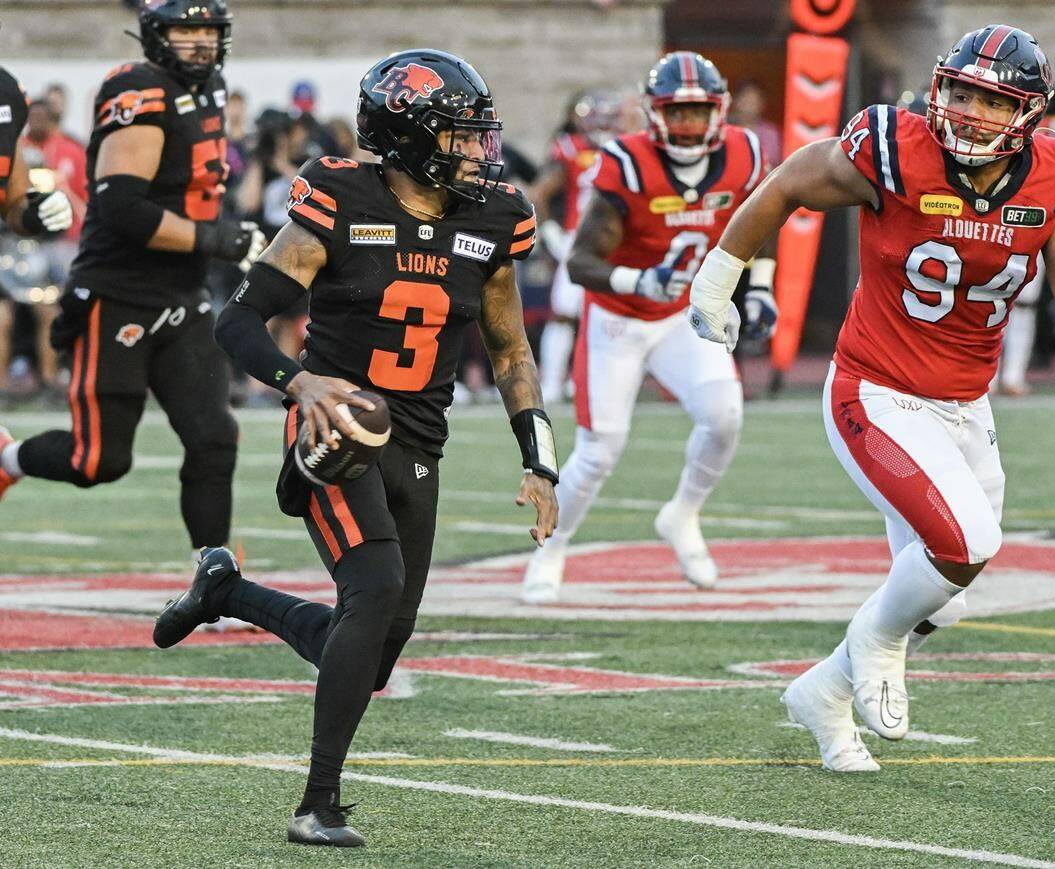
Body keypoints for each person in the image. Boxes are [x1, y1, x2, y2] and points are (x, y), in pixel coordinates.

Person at [152, 49, 559, 847]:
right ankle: (318, 803)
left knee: (376, 644)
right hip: (335, 427)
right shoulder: (339, 198)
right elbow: (237, 318)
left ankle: (226, 590)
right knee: (372, 590)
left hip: (419, 437)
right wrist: (298, 384)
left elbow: (511, 351)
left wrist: (538, 456)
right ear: (406, 136)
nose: (478, 153)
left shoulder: (492, 217)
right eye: (458, 136)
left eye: (479, 136)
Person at [690, 25, 1055, 771]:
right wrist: (719, 277)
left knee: (945, 597)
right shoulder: (894, 145)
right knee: (967, 544)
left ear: (1029, 114)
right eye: (961, 92)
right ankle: (877, 642)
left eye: (992, 100)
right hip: (876, 388)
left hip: (966, 404)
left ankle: (823, 691)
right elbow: (789, 182)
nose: (970, 112)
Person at [0, 2, 264, 561]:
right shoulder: (135, 87)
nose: (198, 42)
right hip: (119, 296)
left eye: (207, 31)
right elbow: (123, 208)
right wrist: (218, 240)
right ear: (155, 34)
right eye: (184, 30)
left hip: (183, 296)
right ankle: (7, 460)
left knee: (215, 437)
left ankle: (212, 578)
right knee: (99, 461)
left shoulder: (213, 85)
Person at [520, 52, 777, 604]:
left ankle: (682, 515)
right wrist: (639, 281)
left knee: (724, 416)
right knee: (599, 451)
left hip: (682, 316)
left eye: (697, 112)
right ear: (655, 114)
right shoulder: (626, 162)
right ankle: (552, 547)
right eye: (676, 113)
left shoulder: (743, 152)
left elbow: (760, 224)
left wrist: (760, 290)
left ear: (719, 112)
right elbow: (582, 263)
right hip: (618, 319)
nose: (687, 125)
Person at [527, 90, 621, 403]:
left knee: (609, 315)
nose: (604, 123)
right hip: (577, 239)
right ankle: (553, 381)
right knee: (565, 313)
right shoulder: (569, 148)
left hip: (614, 240)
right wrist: (552, 235)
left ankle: (594, 382)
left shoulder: (626, 150)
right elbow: (538, 195)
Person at [0, 81, 75, 398]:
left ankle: (48, 377)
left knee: (48, 308)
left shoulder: (7, 92)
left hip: (17, 250)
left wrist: (34, 214)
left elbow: (16, 205)